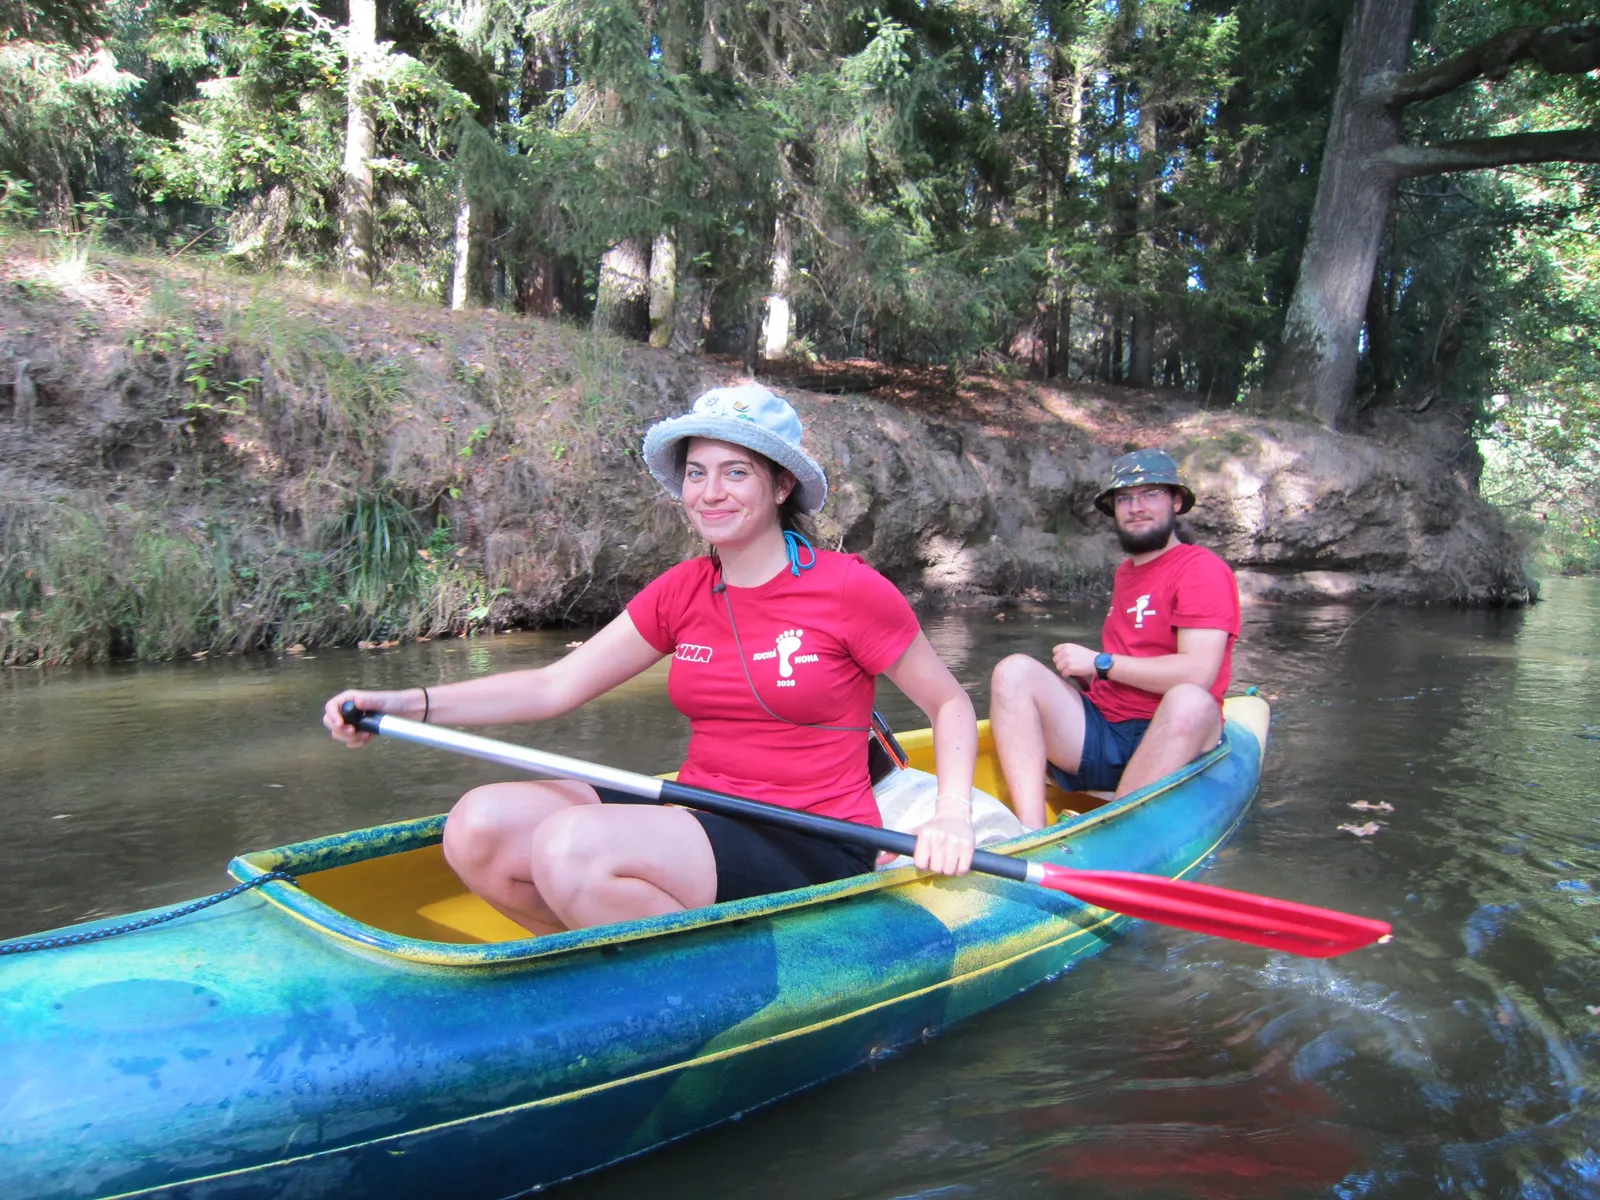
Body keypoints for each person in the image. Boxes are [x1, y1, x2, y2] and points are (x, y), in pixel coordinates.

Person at [324, 384, 979, 935]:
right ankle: (607, 965)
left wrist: (951, 814)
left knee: (571, 848)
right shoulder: (683, 590)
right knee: (477, 827)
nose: (710, 492)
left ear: (782, 484)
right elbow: (554, 687)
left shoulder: (848, 590)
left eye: (736, 472)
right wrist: (406, 704)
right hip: (699, 809)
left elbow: (948, 703)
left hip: (810, 837)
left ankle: (705, 981)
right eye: (697, 472)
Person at [988, 449, 1240, 829]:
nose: (1136, 507)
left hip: (1174, 738)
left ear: (1175, 501)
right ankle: (1030, 833)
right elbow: (1132, 661)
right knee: (1013, 672)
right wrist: (1093, 677)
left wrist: (1101, 663)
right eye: (1124, 498)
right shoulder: (1126, 574)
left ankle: (1114, 828)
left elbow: (1198, 674)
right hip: (1107, 731)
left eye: (1150, 494)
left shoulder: (1202, 569)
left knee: (1189, 699)